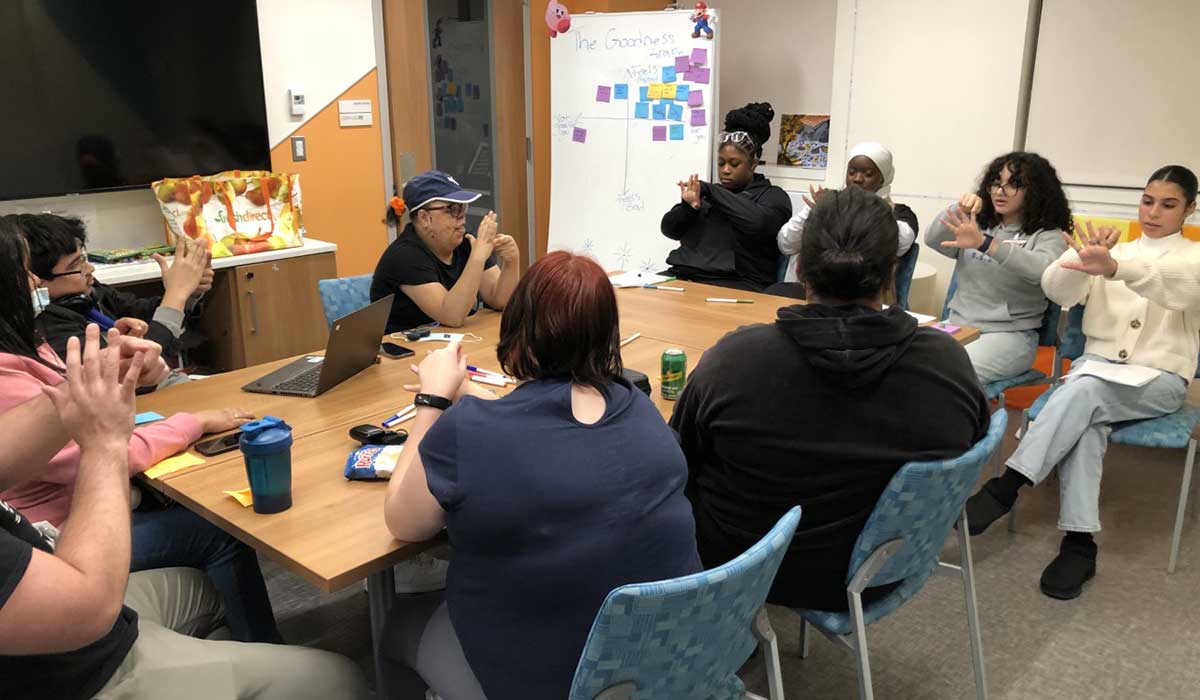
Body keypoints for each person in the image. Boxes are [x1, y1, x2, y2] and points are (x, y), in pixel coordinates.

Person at [381, 252, 701, 700]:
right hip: (664, 665)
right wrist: (470, 398)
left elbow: (404, 522)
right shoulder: (639, 406)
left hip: (550, 681)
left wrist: (433, 401)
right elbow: (551, 435)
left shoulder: (470, 432)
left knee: (397, 624)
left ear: (520, 329)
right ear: (606, 333)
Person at [0, 324, 368, 700]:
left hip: (52, 571)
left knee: (203, 586)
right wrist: (105, 442)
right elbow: (88, 611)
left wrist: (104, 375)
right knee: (340, 678)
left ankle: (240, 656)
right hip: (79, 664)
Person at [671, 187, 989, 612]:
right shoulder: (948, 361)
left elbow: (679, 460)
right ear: (891, 274)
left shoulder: (734, 361)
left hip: (749, 571)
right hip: (880, 573)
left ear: (799, 267)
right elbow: (973, 443)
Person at [0, 218, 280, 644]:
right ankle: (262, 645)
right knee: (218, 528)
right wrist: (195, 422)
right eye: (25, 272)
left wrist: (129, 363)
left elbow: (128, 357)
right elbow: (94, 448)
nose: (34, 281)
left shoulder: (32, 335)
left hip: (99, 495)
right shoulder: (22, 355)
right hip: (66, 529)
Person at [964, 165, 1200, 600]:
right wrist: (1079, 265)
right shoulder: (1112, 249)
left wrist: (1115, 269)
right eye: (1148, 201)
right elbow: (1059, 292)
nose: (1153, 212)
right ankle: (1079, 544)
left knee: (1082, 392)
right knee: (1086, 420)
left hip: (1161, 382)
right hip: (1093, 377)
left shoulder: (1191, 259)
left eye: (1168, 204)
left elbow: (1181, 289)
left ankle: (1008, 483)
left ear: (1190, 208)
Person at [925, 151, 1072, 384]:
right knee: (906, 366)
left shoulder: (1049, 236)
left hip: (1009, 336)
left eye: (1014, 184)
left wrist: (986, 244)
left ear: (1036, 191)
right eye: (995, 183)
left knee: (944, 377)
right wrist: (961, 208)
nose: (1000, 191)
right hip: (957, 326)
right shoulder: (977, 224)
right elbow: (933, 238)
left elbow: (1043, 272)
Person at [13, 213, 213, 365]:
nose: (89, 269)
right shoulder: (46, 330)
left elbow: (142, 311)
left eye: (84, 258)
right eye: (76, 266)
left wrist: (188, 292)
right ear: (36, 280)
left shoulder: (87, 293)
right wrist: (176, 294)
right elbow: (141, 368)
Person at [661, 102, 792, 291]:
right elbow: (669, 230)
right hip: (682, 277)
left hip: (736, 285)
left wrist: (712, 191)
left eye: (734, 164)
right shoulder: (706, 193)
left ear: (754, 163)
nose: (725, 170)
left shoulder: (773, 196)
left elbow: (757, 223)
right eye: (721, 163)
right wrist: (688, 207)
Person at [370, 170, 521, 333]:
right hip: (407, 352)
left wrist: (511, 261)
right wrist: (477, 258)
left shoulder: (464, 239)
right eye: (453, 210)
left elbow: (500, 300)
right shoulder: (404, 256)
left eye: (463, 208)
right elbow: (452, 316)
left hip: (452, 343)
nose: (462, 218)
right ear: (424, 218)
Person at [773, 141, 919, 300]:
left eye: (868, 174)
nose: (857, 179)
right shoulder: (828, 202)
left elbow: (899, 245)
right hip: (816, 291)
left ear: (883, 179)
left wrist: (861, 207)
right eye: (852, 172)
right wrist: (813, 211)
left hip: (865, 296)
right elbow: (785, 243)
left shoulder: (900, 212)